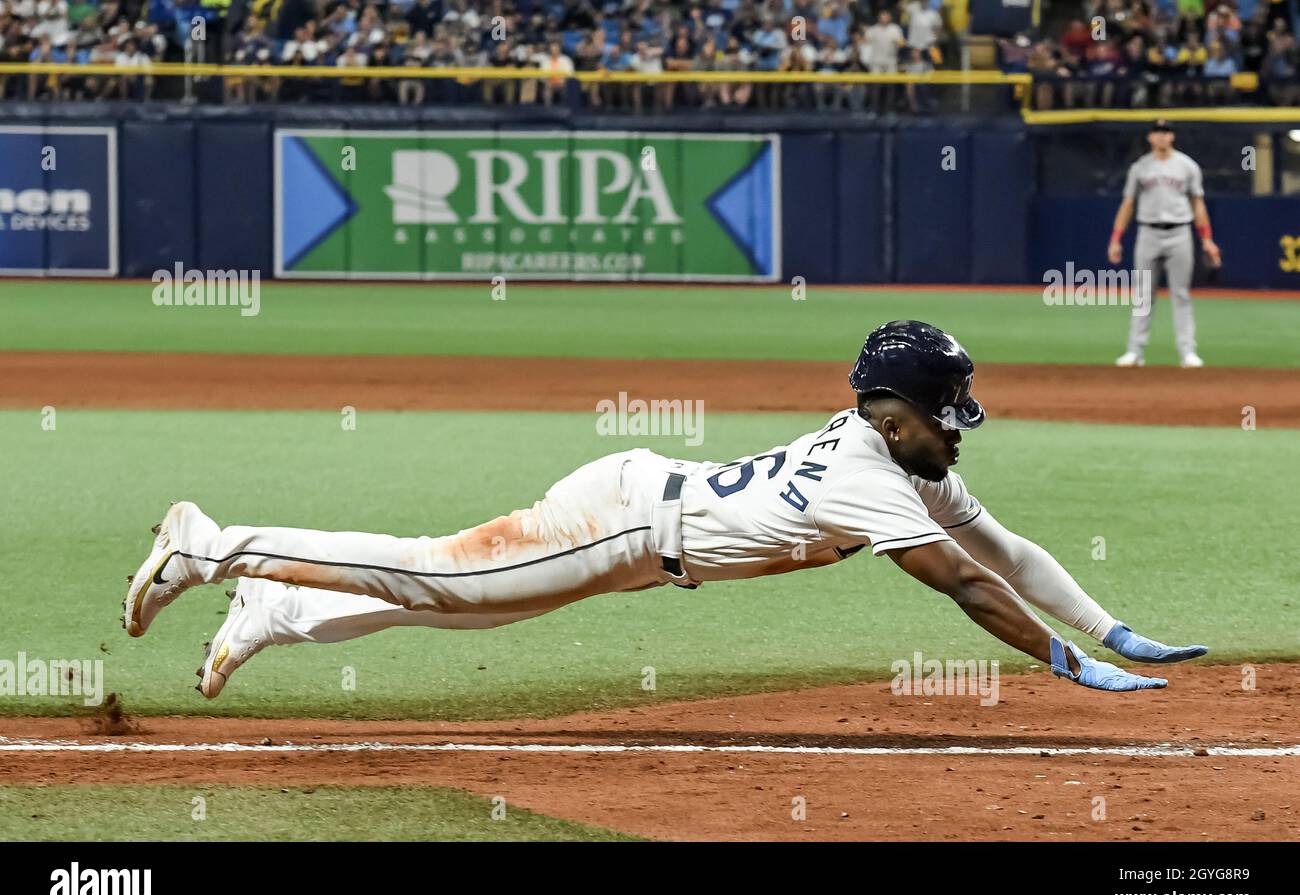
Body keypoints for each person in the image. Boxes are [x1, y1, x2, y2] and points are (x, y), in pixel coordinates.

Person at [122, 321, 1206, 699]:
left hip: (645, 526)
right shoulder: (871, 472)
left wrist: (1107, 627)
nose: (962, 423)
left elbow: (1003, 547)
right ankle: (212, 546)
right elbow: (968, 582)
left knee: (458, 604)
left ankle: (276, 608)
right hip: (628, 521)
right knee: (435, 574)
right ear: (898, 408)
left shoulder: (911, 457)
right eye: (948, 408)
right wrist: (1060, 665)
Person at [1108, 119, 1221, 368]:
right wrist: (1116, 238)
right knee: (1143, 295)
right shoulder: (1140, 167)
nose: (1161, 136)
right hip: (1148, 232)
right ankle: (1135, 351)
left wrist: (1207, 239)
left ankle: (1187, 352)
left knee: (1180, 294)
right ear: (1150, 137)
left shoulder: (1187, 166)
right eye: (1157, 132)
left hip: (1179, 232)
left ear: (1172, 136)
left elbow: (1198, 204)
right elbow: (1128, 204)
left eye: (1165, 132)